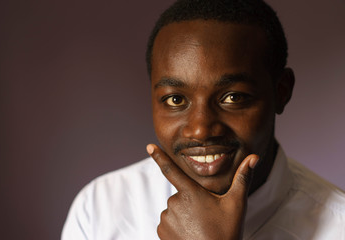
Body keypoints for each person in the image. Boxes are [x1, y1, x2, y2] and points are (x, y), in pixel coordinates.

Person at [62, 0, 345, 239]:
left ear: (281, 92)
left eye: (233, 97)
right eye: (175, 100)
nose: (200, 129)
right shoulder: (100, 207)